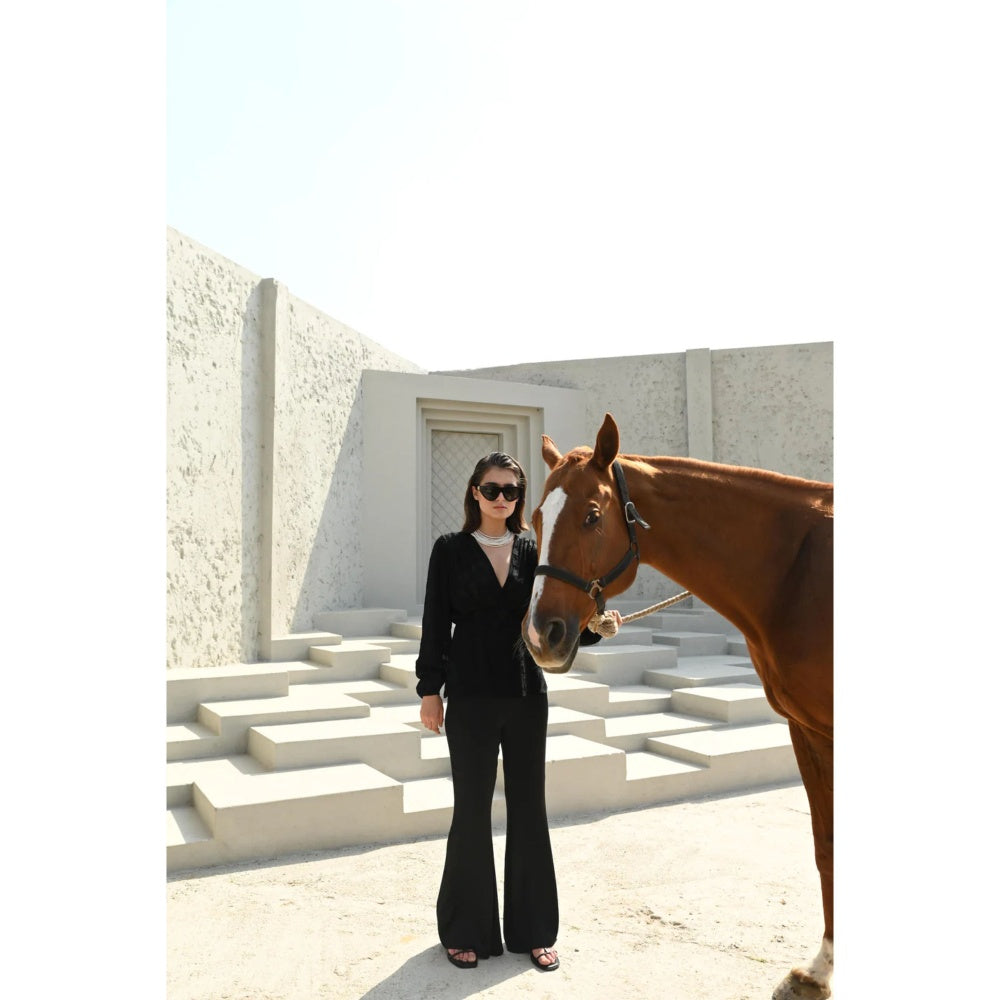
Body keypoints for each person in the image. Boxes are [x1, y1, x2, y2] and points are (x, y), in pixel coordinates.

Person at [415, 451, 620, 973]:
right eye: (492, 489)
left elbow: (554, 614)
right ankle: (465, 929)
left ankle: (534, 931)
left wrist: (595, 629)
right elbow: (435, 622)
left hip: (527, 696)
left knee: (530, 809)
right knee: (471, 811)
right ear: (475, 492)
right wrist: (429, 690)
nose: (501, 498)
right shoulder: (449, 550)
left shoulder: (533, 550)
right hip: (470, 697)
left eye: (511, 491)